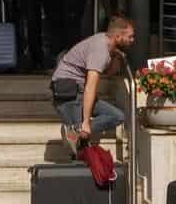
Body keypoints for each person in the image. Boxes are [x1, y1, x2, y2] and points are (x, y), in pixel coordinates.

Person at [50, 14, 135, 151]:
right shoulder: (100, 50)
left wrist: (115, 56)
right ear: (118, 36)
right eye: (129, 36)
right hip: (68, 92)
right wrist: (85, 122)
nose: (132, 40)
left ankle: (74, 129)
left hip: (78, 91)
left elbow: (110, 73)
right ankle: (75, 129)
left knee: (117, 116)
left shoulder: (106, 43)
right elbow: (91, 86)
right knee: (81, 141)